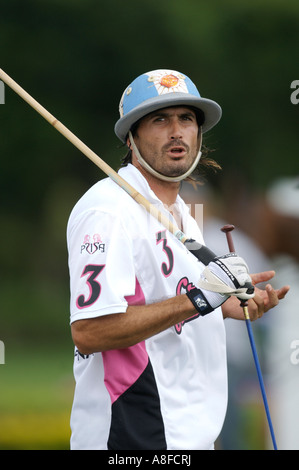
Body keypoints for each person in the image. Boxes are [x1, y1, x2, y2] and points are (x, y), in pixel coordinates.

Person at [67, 69, 289, 450]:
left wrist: (225, 306)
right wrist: (199, 299)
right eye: (160, 119)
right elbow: (90, 331)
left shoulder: (183, 213)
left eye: (186, 118)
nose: (176, 131)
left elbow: (167, 305)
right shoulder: (108, 210)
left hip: (186, 433)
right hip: (134, 435)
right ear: (132, 136)